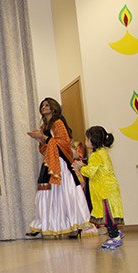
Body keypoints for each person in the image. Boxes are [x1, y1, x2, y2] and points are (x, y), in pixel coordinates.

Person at [26, 98, 90, 238]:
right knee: (44, 193)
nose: (44, 107)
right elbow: (45, 149)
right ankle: (42, 224)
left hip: (60, 164)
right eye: (42, 106)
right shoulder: (45, 126)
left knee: (65, 193)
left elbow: (63, 144)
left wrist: (43, 137)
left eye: (47, 105)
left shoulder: (58, 123)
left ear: (54, 108)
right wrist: (40, 139)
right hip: (49, 162)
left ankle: (74, 225)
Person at [74, 126, 125, 249]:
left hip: (104, 191)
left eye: (87, 139)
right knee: (109, 213)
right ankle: (116, 233)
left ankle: (114, 237)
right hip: (107, 189)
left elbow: (90, 172)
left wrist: (80, 167)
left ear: (94, 140)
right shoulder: (102, 153)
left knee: (107, 215)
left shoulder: (96, 155)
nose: (85, 141)